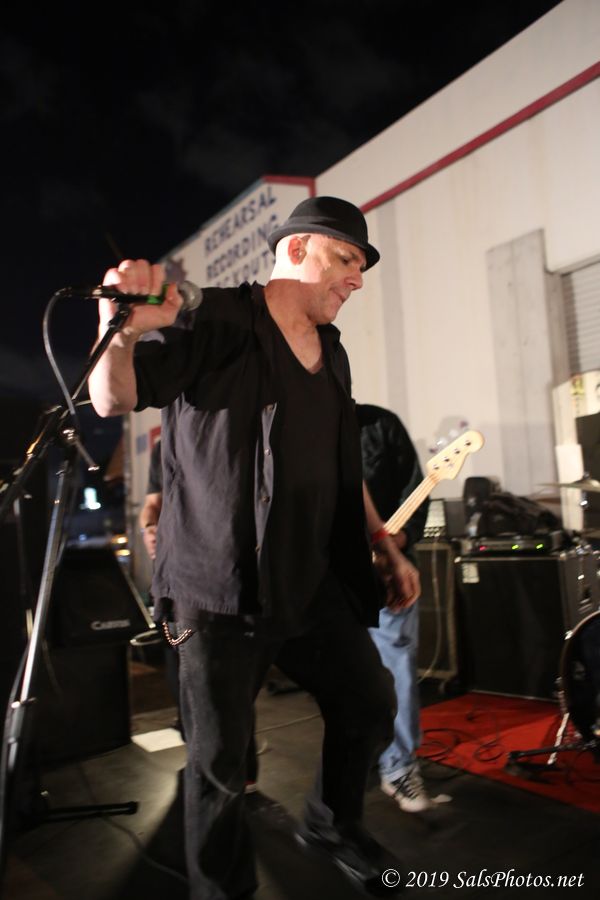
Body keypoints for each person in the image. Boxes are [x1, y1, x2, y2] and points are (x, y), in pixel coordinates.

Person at [88, 196, 420, 900]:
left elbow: (342, 463)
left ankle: (332, 824)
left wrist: (383, 542)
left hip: (310, 583)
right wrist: (119, 333)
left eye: (361, 267)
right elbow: (113, 400)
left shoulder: (333, 351)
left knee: (369, 701)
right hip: (219, 589)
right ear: (296, 248)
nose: (356, 279)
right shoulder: (215, 320)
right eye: (346, 259)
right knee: (219, 767)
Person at [357, 403, 432, 812]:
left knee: (397, 663)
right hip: (326, 573)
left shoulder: (380, 423)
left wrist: (395, 545)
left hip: (387, 568)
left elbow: (414, 487)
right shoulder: (298, 423)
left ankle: (399, 766)